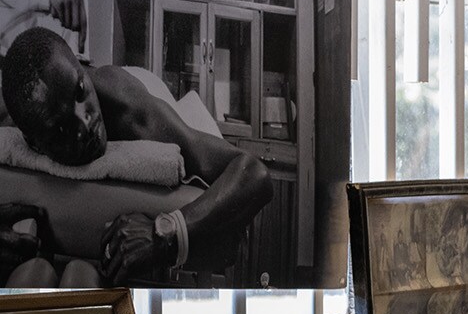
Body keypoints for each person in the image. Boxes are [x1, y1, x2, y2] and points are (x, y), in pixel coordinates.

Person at [0, 25, 271, 282]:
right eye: (60, 128)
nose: (84, 124)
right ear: (33, 143)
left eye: (80, 91)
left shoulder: (126, 106)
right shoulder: (17, 113)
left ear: (81, 67)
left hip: (155, 94)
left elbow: (254, 172)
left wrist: (168, 232)